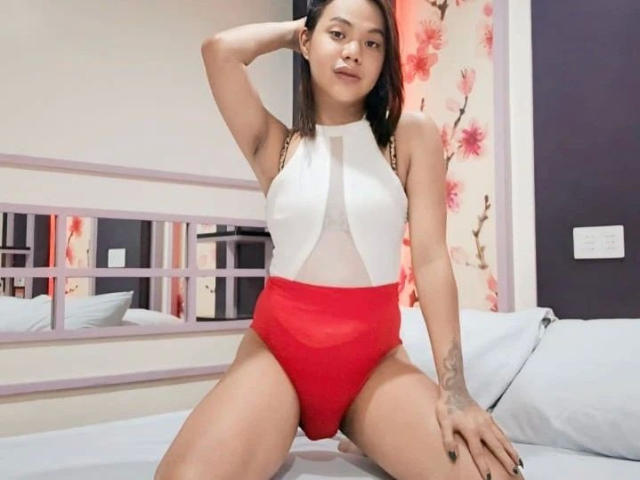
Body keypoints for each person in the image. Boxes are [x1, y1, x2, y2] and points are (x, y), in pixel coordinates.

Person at [155, 1, 525, 479]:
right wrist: (301, 31)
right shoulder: (275, 145)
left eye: (372, 43)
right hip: (277, 355)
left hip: (373, 364)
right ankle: (297, 423)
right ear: (307, 42)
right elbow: (219, 51)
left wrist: (454, 391)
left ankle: (368, 431)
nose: (354, 52)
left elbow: (432, 261)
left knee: (497, 477)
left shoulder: (409, 137)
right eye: (339, 35)